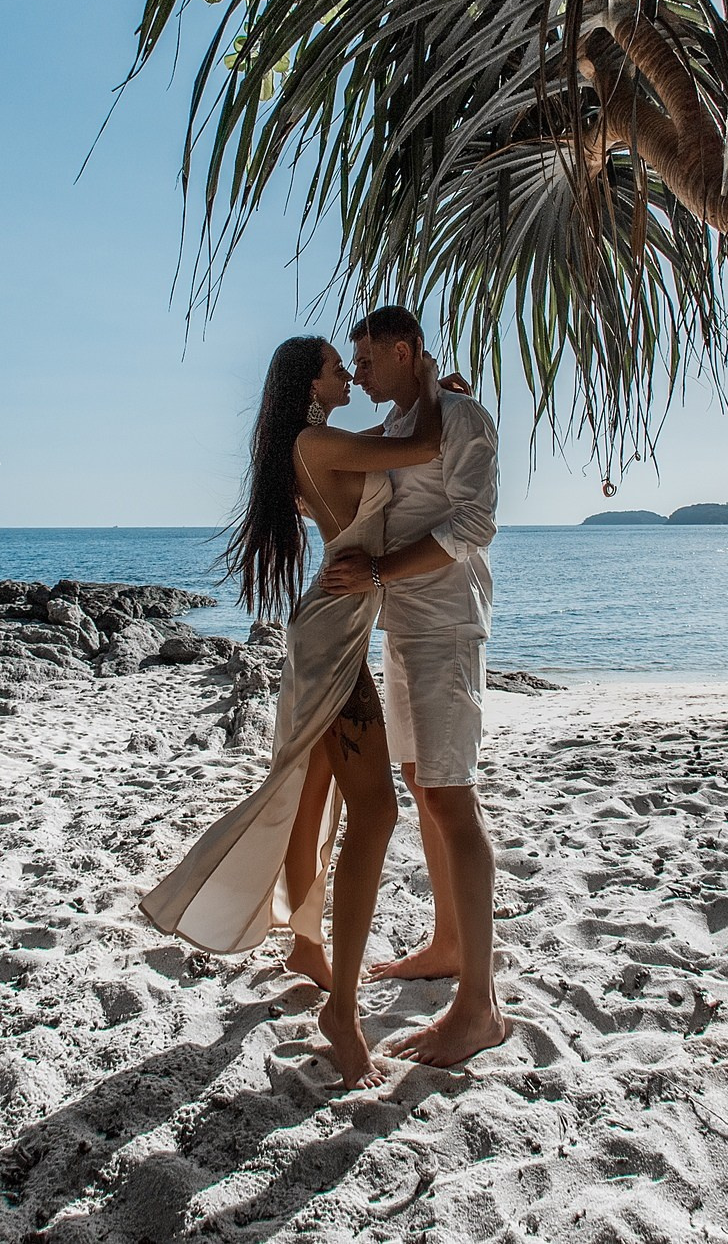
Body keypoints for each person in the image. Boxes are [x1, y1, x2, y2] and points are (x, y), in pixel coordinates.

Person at [140, 334, 447, 1086]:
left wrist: (414, 404)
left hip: (329, 626)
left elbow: (383, 441)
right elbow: (424, 445)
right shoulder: (318, 443)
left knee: (310, 793)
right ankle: (341, 1013)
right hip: (333, 635)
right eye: (339, 368)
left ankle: (307, 946)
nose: (351, 375)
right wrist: (433, 383)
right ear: (311, 383)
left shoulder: (314, 444)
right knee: (376, 811)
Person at [322, 304, 508, 1068]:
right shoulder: (407, 423)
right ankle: (449, 944)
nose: (360, 375)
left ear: (405, 350)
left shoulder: (462, 416)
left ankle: (480, 1006)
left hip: (448, 625)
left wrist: (377, 571)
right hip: (402, 624)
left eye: (368, 361)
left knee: (451, 794)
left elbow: (473, 525)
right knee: (421, 780)